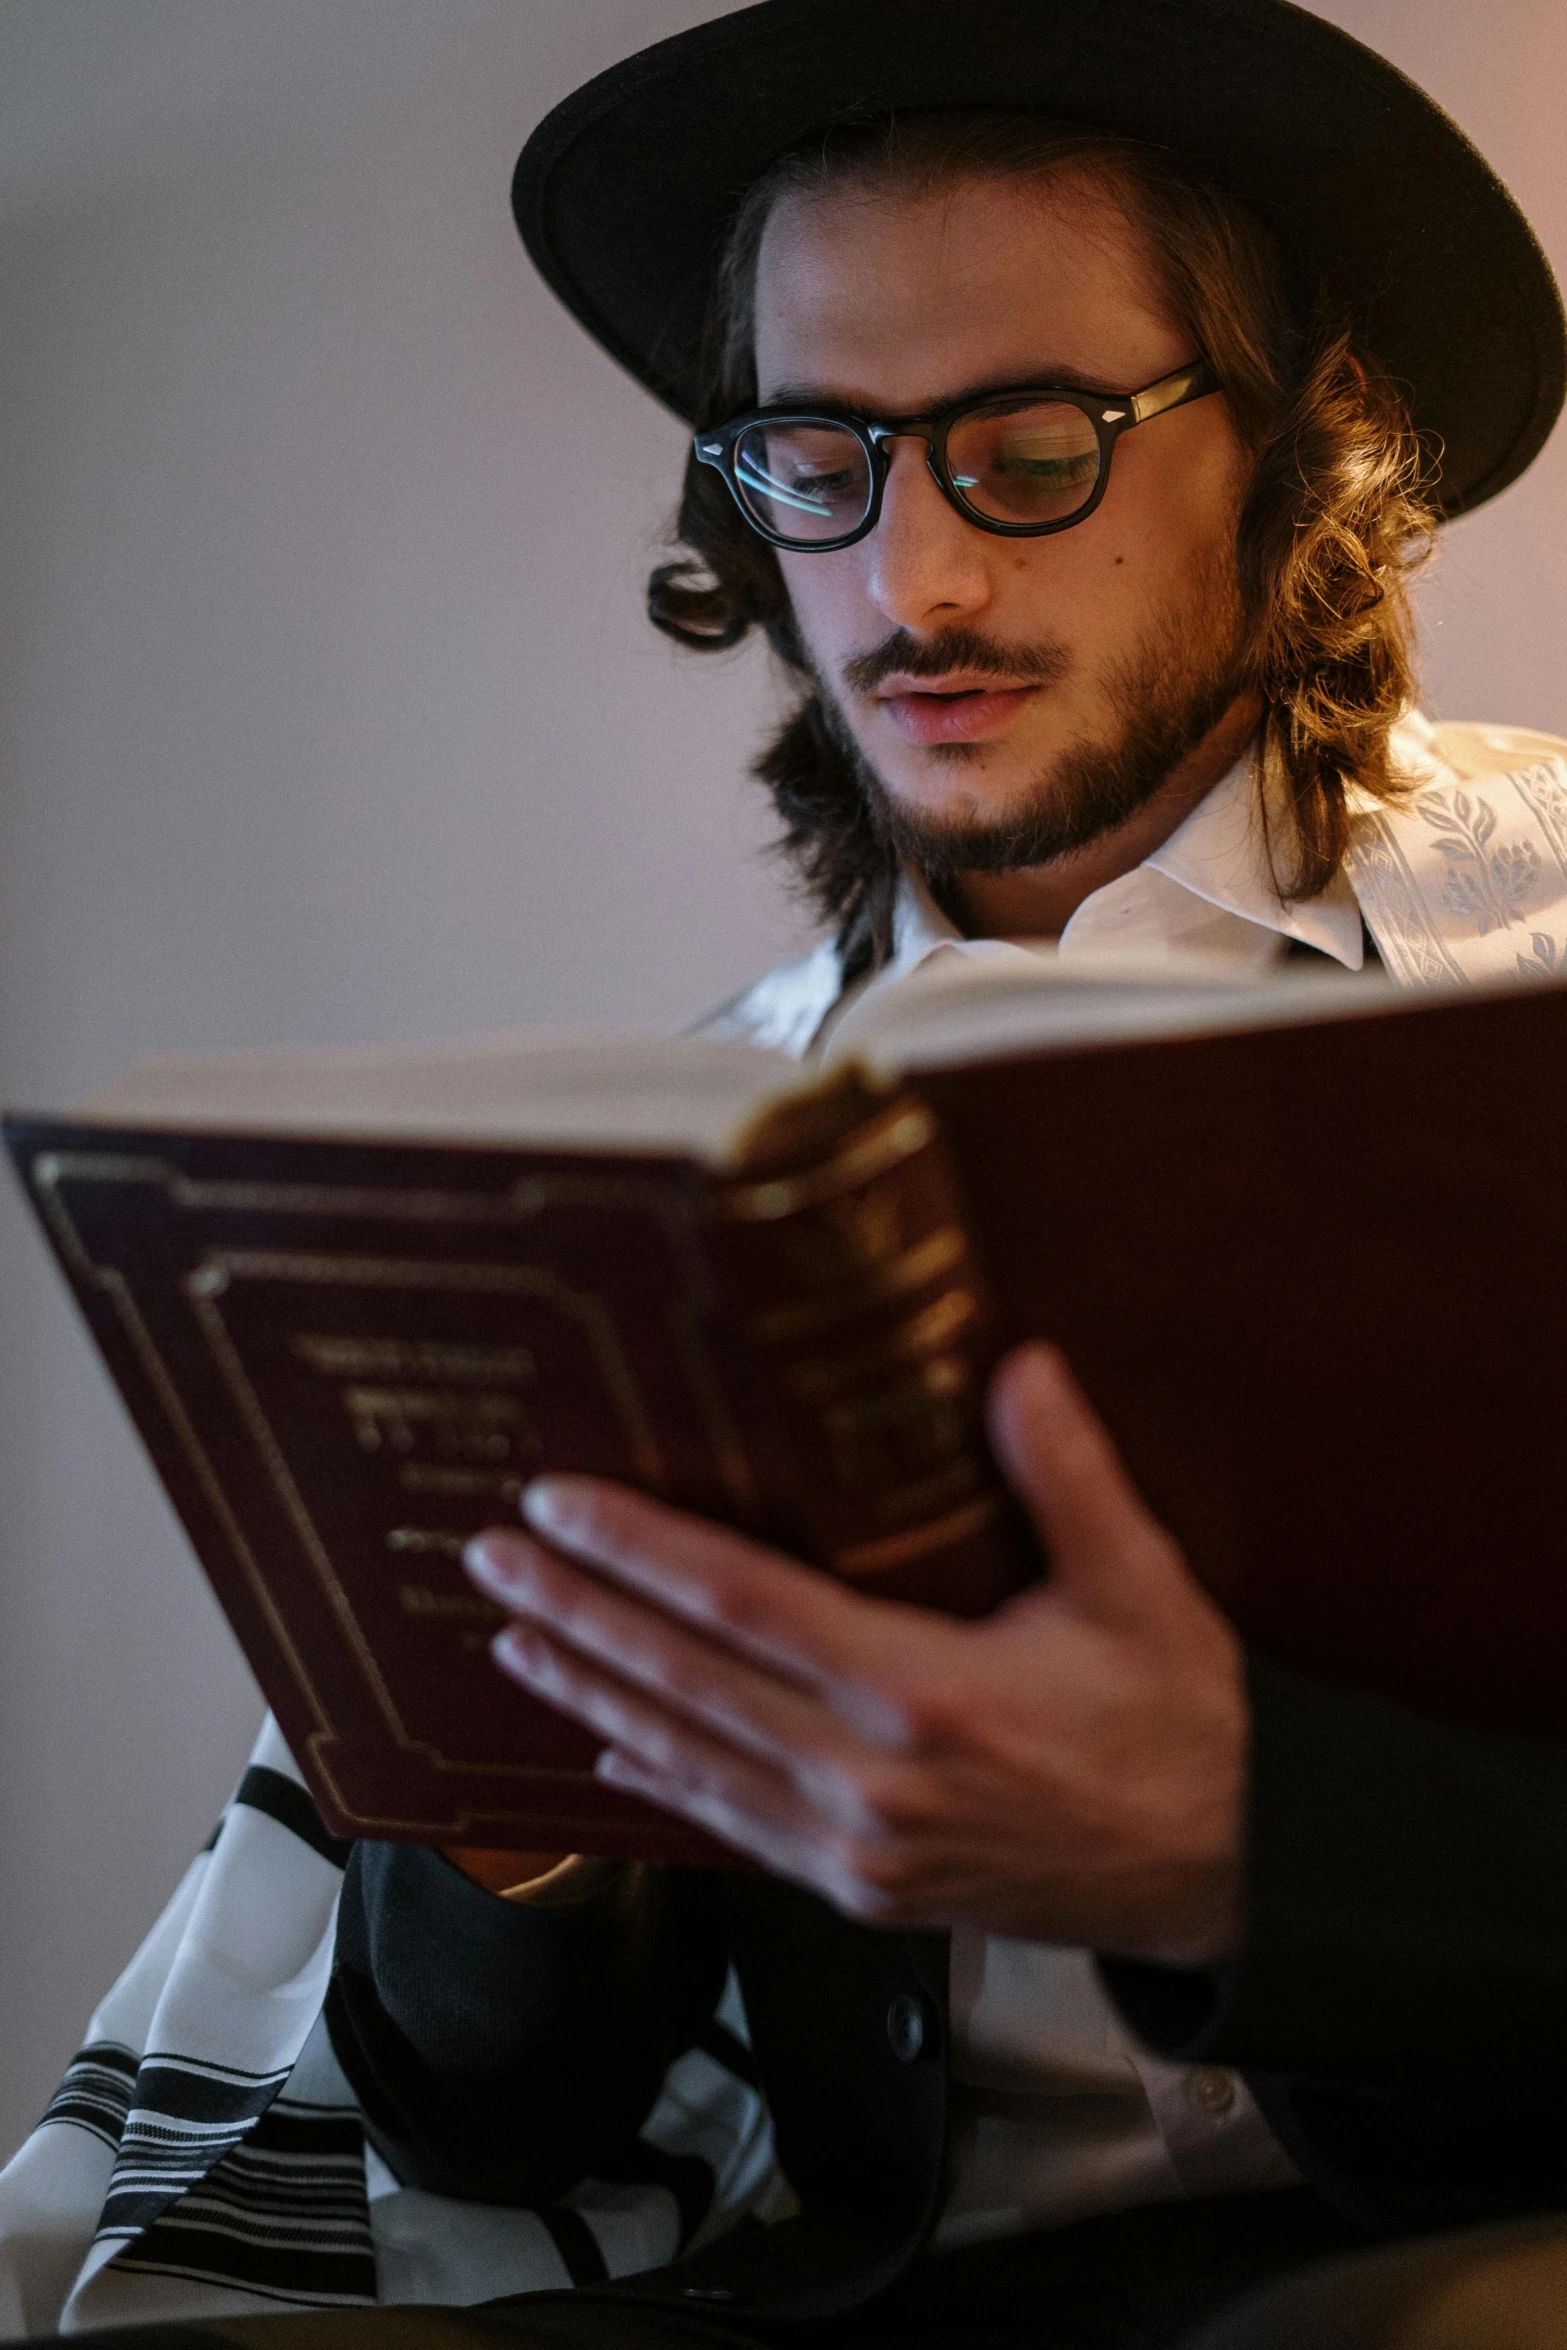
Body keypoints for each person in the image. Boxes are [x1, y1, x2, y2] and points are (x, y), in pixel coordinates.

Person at [5, 3, 1567, 2345]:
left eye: (1029, 443)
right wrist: (495, 1795)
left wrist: (1238, 1842)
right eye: (814, 451)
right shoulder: (699, 1182)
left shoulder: (1537, 987)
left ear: (1290, 449)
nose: (908, 576)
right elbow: (489, 2127)